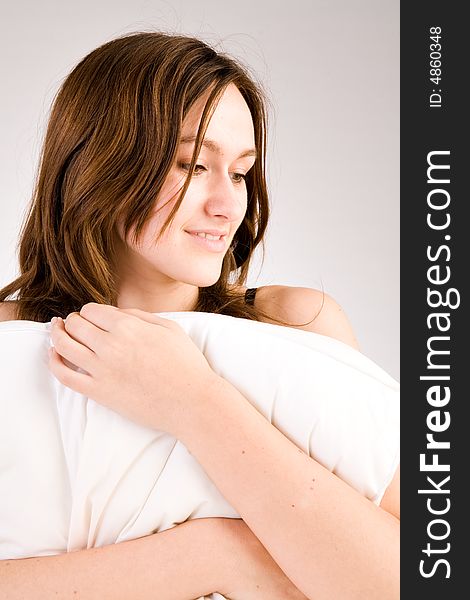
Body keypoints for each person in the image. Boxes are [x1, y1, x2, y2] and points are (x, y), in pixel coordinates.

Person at [0, 31, 399, 599]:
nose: (227, 203)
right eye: (191, 165)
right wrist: (212, 555)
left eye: (239, 172)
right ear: (98, 162)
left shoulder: (296, 326)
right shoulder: (10, 341)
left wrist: (191, 399)